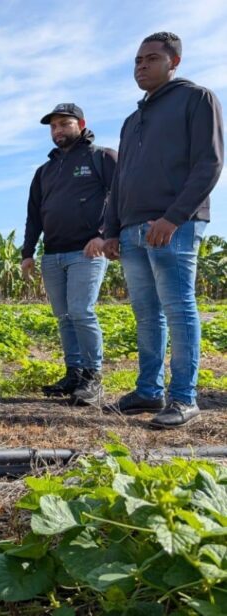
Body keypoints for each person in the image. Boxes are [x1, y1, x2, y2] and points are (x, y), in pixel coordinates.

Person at [102, 32, 223, 429]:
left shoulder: (197, 98)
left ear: (175, 62)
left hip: (174, 225)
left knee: (179, 308)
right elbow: (120, 180)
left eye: (151, 59)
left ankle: (184, 398)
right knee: (146, 314)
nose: (141, 65)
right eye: (137, 60)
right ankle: (149, 391)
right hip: (133, 229)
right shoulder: (132, 119)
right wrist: (112, 230)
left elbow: (209, 163)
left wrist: (174, 217)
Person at [20, 103, 116, 406]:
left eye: (64, 124)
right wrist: (27, 253)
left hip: (86, 252)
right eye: (53, 126)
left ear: (81, 124)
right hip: (53, 254)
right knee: (63, 317)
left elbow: (121, 196)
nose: (58, 130)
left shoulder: (101, 157)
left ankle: (93, 377)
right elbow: (34, 215)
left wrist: (102, 236)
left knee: (81, 311)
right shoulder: (44, 171)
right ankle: (74, 373)